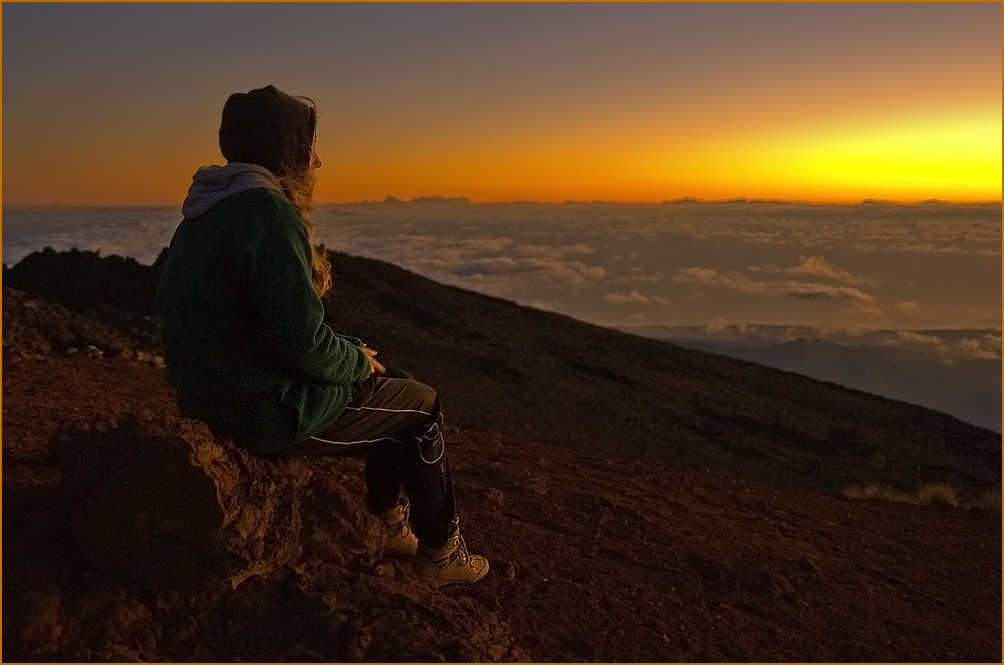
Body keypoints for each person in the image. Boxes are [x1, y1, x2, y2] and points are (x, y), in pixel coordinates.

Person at [156, 85, 488, 586]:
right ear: (286, 148)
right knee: (421, 406)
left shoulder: (206, 210)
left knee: (389, 379)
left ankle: (389, 523)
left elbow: (268, 325)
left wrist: (354, 354)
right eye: (309, 146)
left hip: (213, 394)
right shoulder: (268, 215)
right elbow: (302, 344)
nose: (318, 161)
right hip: (262, 412)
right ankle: (441, 555)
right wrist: (354, 362)